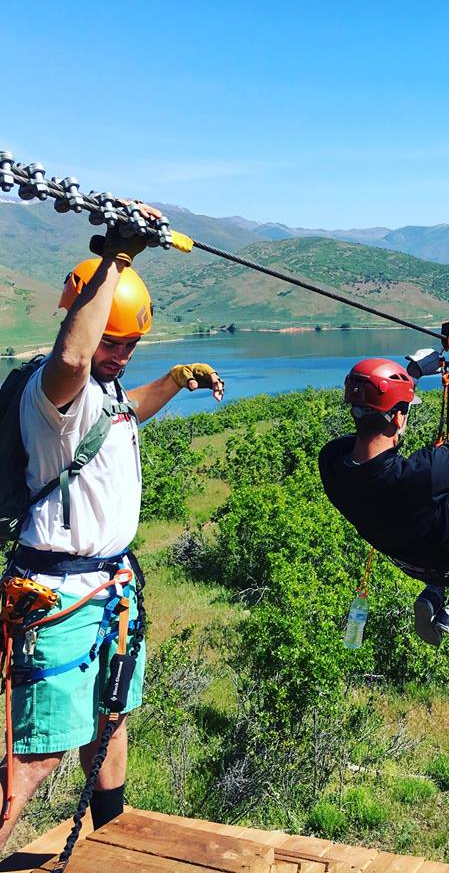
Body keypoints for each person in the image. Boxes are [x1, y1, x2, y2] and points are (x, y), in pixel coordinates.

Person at [0, 218, 224, 849]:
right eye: (114, 341)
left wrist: (174, 381)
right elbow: (74, 354)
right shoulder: (54, 388)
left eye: (132, 344)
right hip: (59, 594)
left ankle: (112, 845)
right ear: (85, 321)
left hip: (110, 590)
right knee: (37, 752)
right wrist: (117, 258)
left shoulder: (105, 388)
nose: (121, 353)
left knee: (110, 722)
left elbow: (120, 418)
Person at [318, 353, 449, 644]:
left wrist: (412, 377)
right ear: (398, 416)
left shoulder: (331, 462)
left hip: (409, 559)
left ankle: (434, 590)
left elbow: (370, 435)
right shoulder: (422, 475)